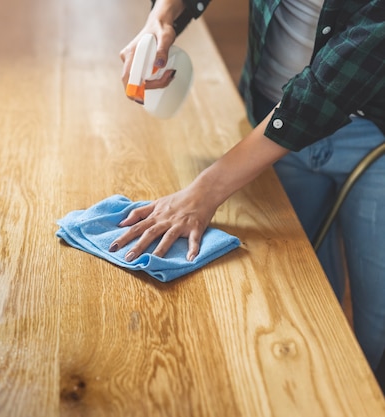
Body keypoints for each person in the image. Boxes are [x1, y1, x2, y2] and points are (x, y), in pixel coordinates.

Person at [110, 0, 385, 372]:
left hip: (370, 139)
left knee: (378, 326)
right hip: (269, 117)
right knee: (303, 303)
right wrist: (161, 17)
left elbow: (323, 93)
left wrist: (203, 192)